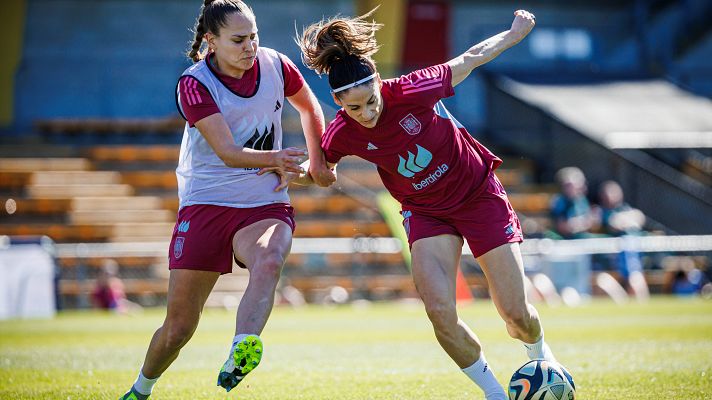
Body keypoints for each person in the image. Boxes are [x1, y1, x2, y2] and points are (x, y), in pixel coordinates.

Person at [295, 9, 557, 399]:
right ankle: (495, 395)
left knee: (516, 316)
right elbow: (319, 167)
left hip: (477, 195)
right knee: (440, 315)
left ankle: (540, 356)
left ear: (380, 84)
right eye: (354, 108)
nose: (366, 114)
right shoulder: (342, 132)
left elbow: (469, 58)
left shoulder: (414, 89)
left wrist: (513, 34)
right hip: (425, 212)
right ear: (338, 103)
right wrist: (288, 168)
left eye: (370, 102)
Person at [119, 1, 334, 399]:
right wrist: (278, 158)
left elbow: (309, 109)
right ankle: (140, 389)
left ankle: (242, 346)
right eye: (238, 40)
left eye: (254, 36)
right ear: (211, 42)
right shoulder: (195, 83)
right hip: (206, 203)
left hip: (264, 202)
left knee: (270, 259)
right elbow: (228, 152)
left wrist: (319, 160)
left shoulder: (276, 65)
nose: (250, 46)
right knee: (179, 327)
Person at [597, 180, 649, 301]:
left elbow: (639, 217)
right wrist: (627, 221)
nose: (611, 197)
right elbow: (614, 223)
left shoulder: (625, 208)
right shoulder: (603, 212)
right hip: (615, 257)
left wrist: (625, 220)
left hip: (637, 249)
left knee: (635, 273)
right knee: (633, 273)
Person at [549, 166, 600, 239]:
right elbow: (562, 227)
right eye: (569, 185)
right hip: (562, 242)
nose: (580, 187)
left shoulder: (582, 200)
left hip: (581, 241)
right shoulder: (559, 202)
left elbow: (591, 222)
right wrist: (584, 222)